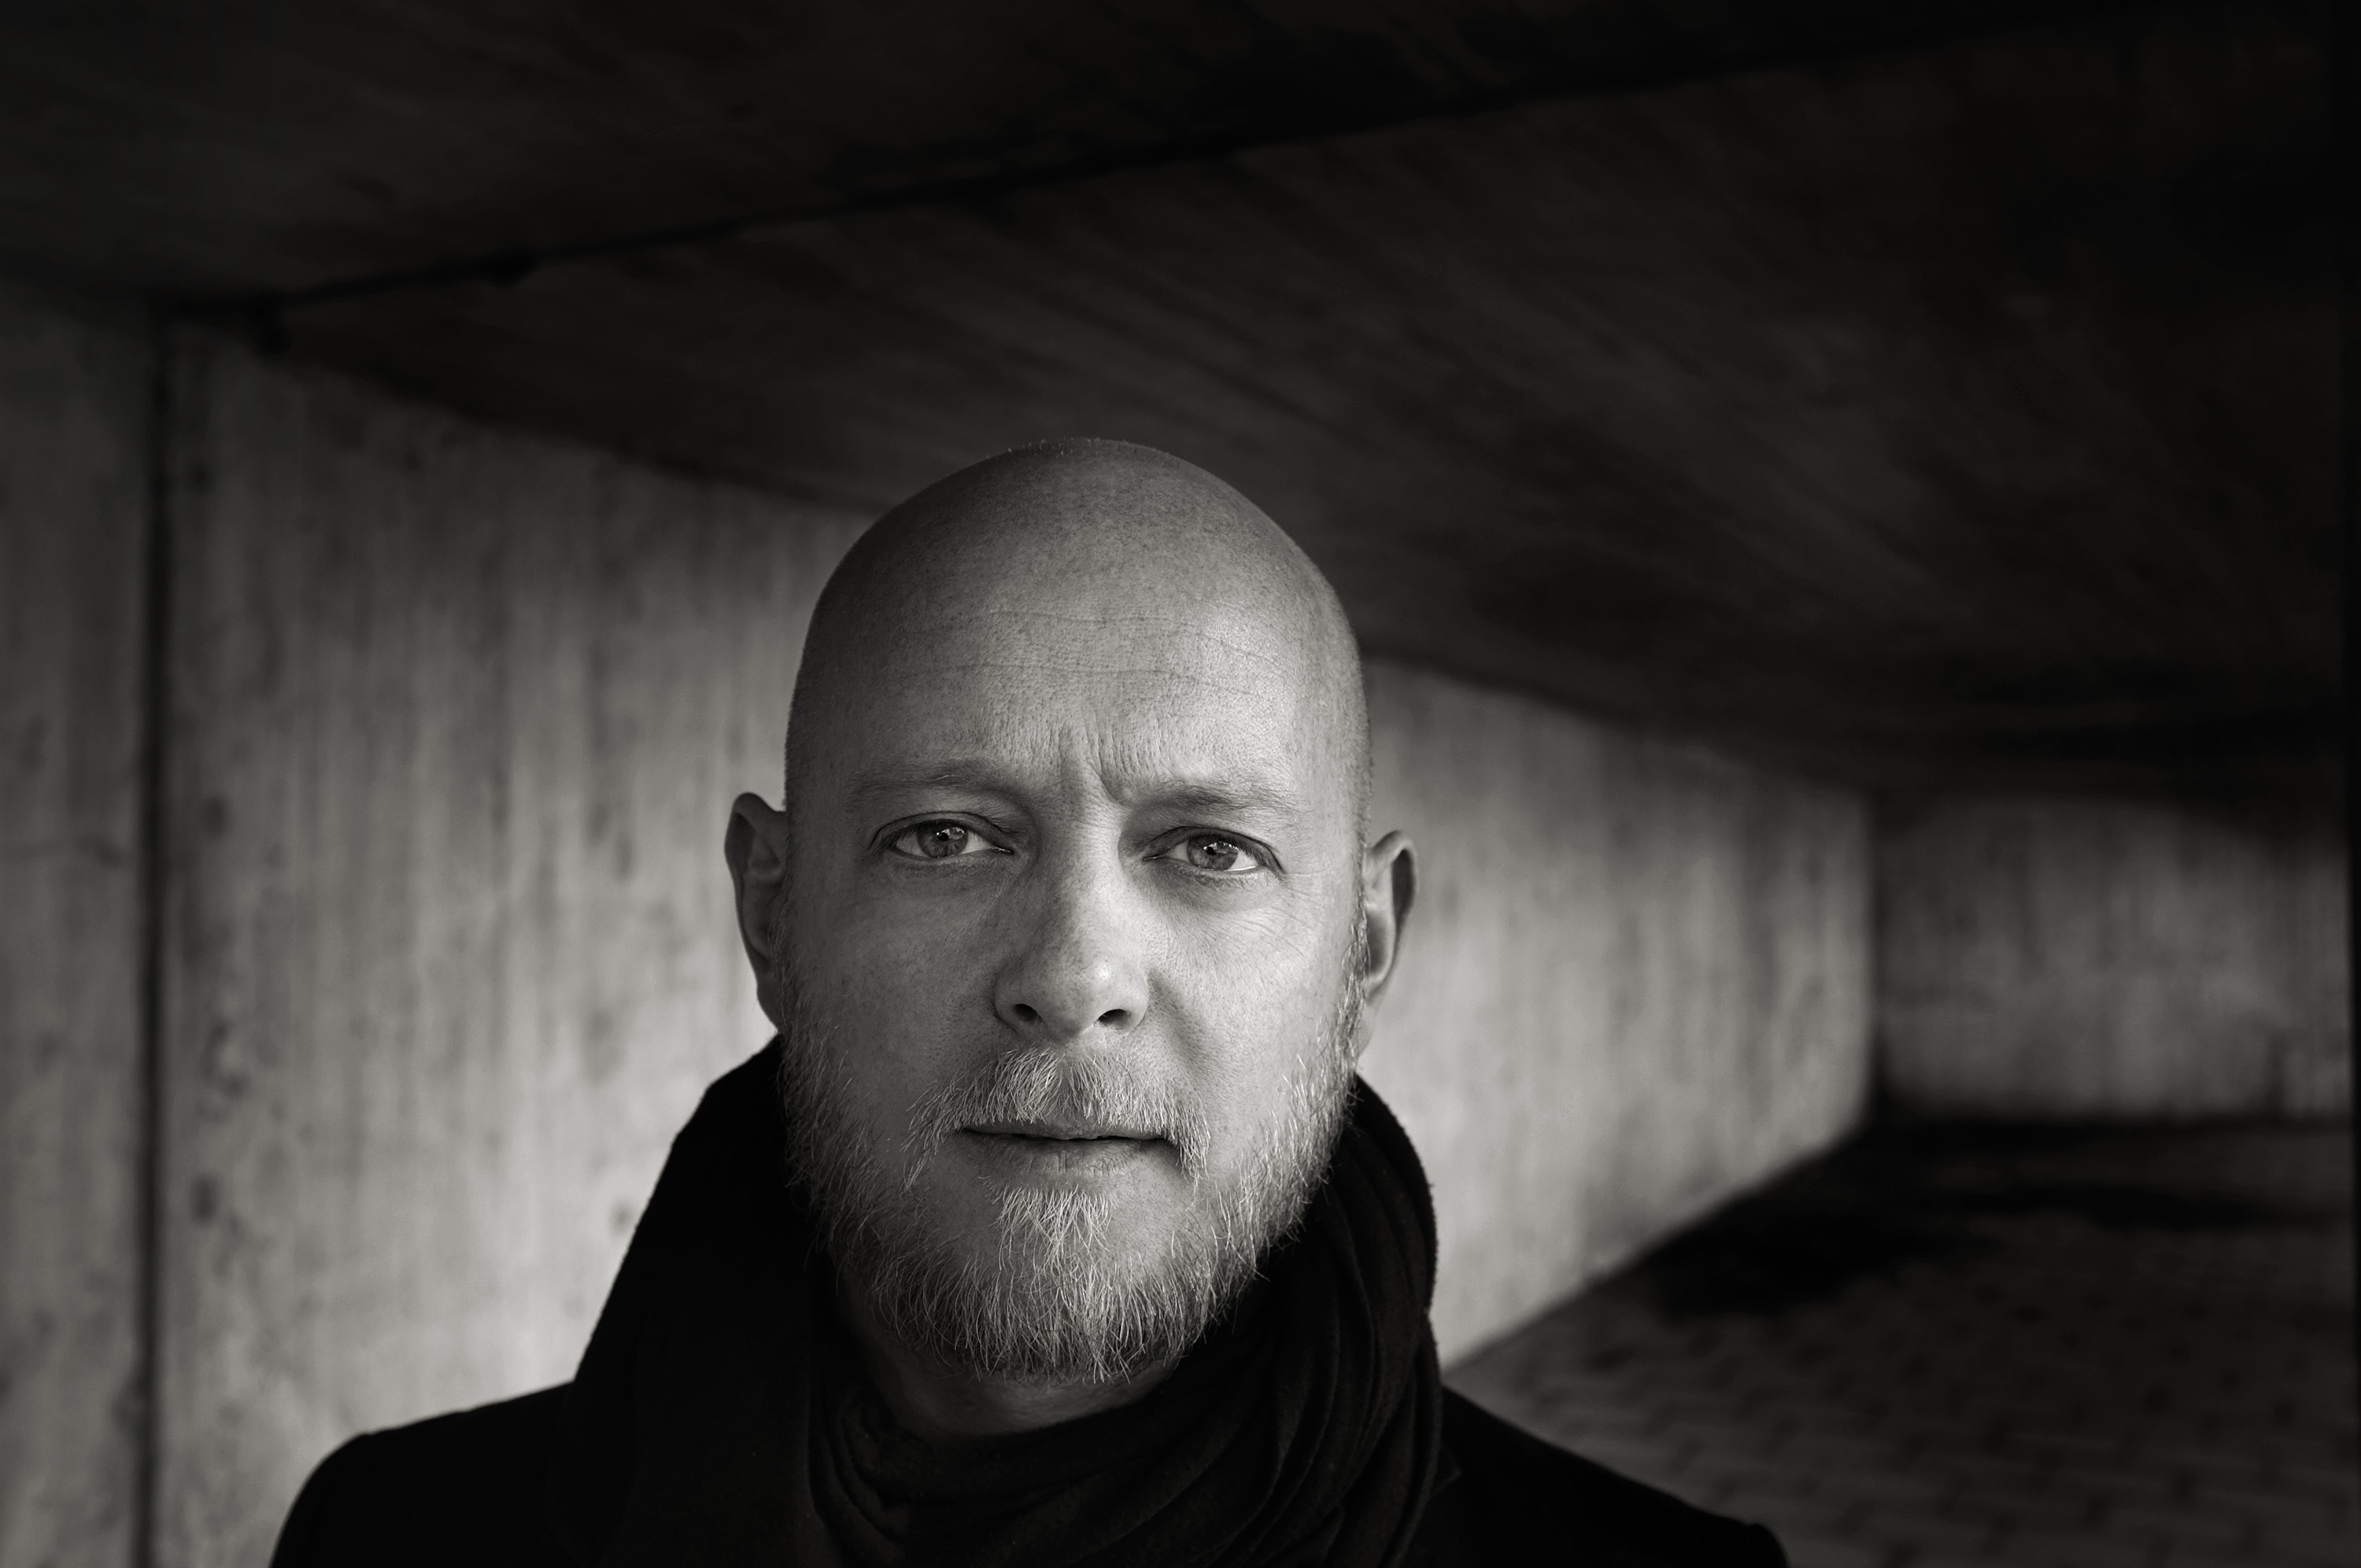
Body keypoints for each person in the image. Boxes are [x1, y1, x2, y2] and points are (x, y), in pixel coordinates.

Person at [270, 440, 1787, 1566]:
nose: (1073, 978)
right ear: (773, 913)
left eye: (1208, 848)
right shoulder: (390, 1536)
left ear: (1364, 950)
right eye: (946, 836)